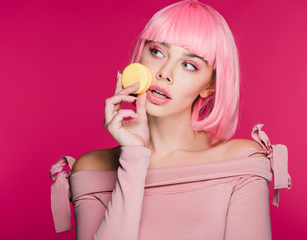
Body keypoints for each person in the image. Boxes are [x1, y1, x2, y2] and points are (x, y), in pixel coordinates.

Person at [49, 0, 291, 239]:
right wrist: (133, 155)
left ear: (210, 85)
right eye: (157, 52)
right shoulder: (93, 168)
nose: (165, 73)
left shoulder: (242, 162)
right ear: (140, 57)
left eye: (188, 65)